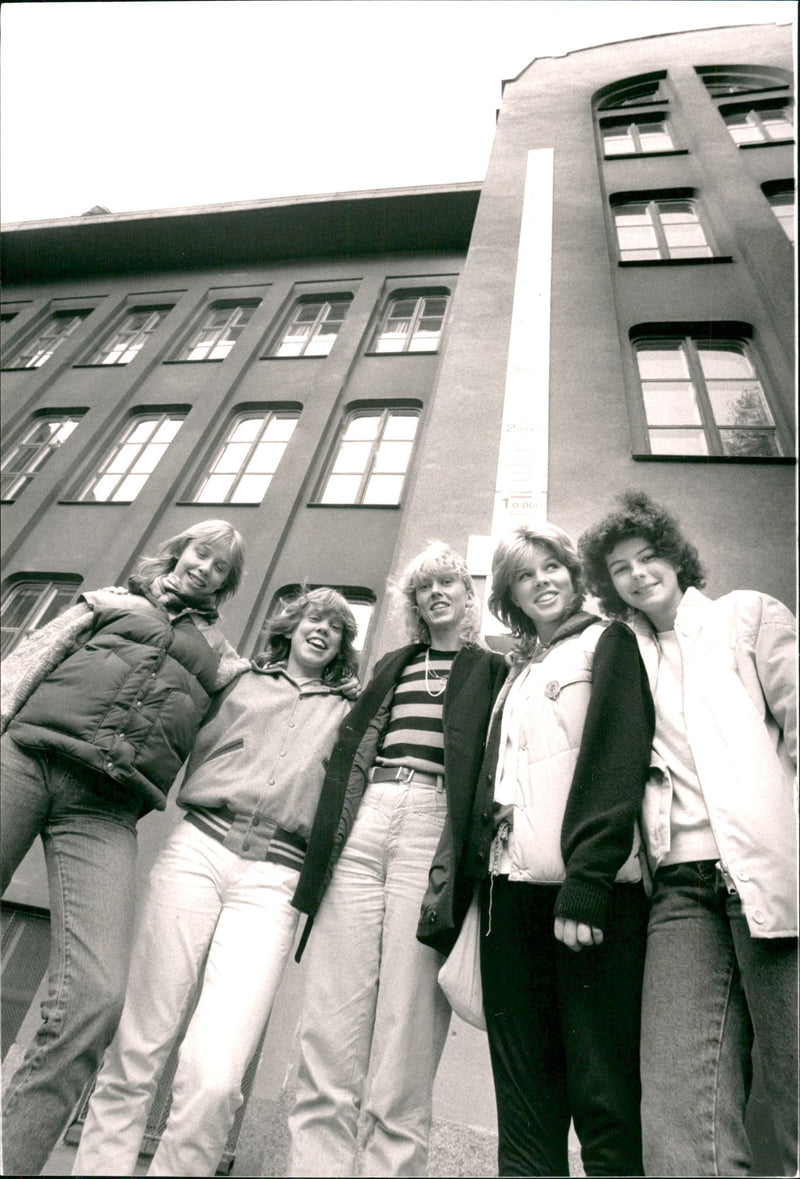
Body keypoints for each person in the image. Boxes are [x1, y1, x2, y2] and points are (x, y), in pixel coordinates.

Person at [72, 586, 359, 1177]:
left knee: (217, 1073)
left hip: (276, 879)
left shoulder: (350, 709)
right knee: (139, 1044)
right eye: (313, 616)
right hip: (197, 850)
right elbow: (169, 666)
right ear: (289, 625)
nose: (322, 628)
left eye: (336, 624)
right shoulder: (234, 678)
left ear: (342, 645)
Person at [0, 519, 247, 1177]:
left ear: (226, 583)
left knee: (97, 996)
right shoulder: (110, 603)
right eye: (201, 552)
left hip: (106, 807)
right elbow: (27, 660)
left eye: (220, 566)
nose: (205, 567)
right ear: (179, 552)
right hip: (25, 757)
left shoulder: (221, 659)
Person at [579, 490, 798, 1178]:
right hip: (678, 889)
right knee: (676, 1109)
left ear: (676, 557)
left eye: (649, 556)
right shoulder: (624, 654)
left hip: (765, 871)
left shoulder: (747, 617)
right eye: (620, 567)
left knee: (793, 1087)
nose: (639, 573)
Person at [287, 542, 507, 1178]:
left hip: (434, 829)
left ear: (468, 597)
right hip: (364, 822)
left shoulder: (491, 668)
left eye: (448, 582)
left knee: (408, 1028)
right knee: (331, 1018)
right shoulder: (392, 663)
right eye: (423, 586)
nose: (435, 592)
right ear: (414, 603)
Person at [460, 523, 654, 1177]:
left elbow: (615, 757)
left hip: (586, 899)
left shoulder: (609, 642)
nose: (543, 580)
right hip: (507, 903)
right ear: (510, 592)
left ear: (572, 575)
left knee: (603, 1097)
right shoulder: (517, 674)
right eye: (525, 573)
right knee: (523, 1106)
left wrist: (589, 878)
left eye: (553, 567)